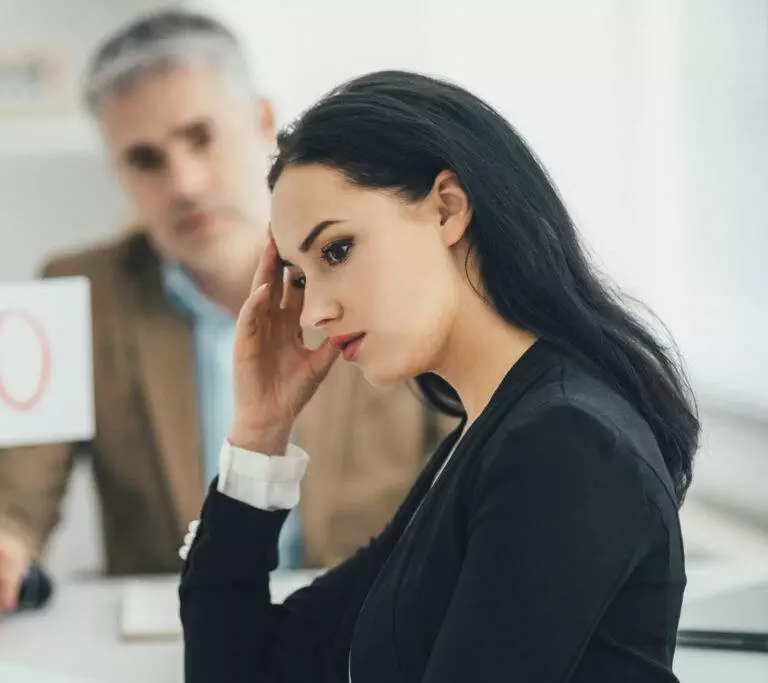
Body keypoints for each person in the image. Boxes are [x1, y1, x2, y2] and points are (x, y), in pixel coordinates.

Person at [179, 70, 700, 682]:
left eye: (336, 251)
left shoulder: (564, 443)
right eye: (298, 277)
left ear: (448, 208)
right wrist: (259, 432)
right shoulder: (484, 435)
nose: (314, 312)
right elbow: (250, 668)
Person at [0, 11, 450, 625]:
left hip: (368, 630)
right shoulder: (85, 294)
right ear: (116, 171)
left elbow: (474, 466)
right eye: (146, 160)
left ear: (264, 123)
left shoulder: (381, 261)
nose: (183, 182)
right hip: (177, 645)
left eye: (201, 137)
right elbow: (7, 495)